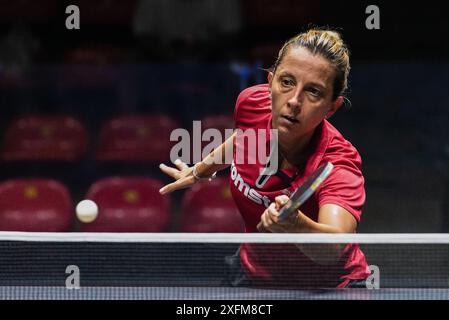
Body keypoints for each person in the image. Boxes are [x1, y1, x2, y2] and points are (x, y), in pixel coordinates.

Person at [159, 28, 369, 288]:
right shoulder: (252, 103)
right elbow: (243, 138)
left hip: (326, 288)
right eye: (287, 82)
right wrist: (200, 170)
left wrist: (296, 226)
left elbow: (333, 248)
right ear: (270, 82)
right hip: (254, 274)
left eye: (313, 91)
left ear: (332, 107)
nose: (293, 101)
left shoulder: (337, 166)